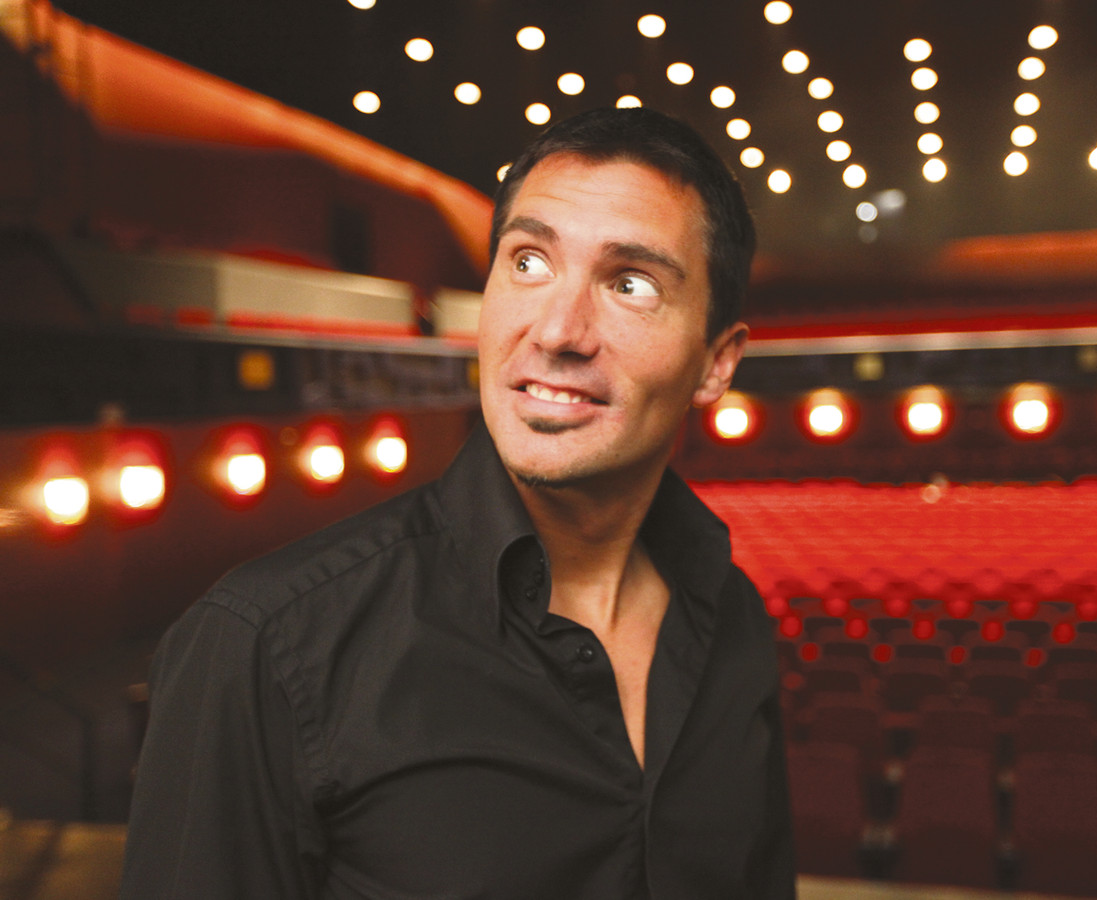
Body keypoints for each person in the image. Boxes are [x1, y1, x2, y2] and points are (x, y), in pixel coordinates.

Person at [122, 106, 796, 899]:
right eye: (529, 262)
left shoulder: (734, 620)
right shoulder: (262, 645)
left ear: (717, 363)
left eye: (629, 284)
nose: (557, 331)